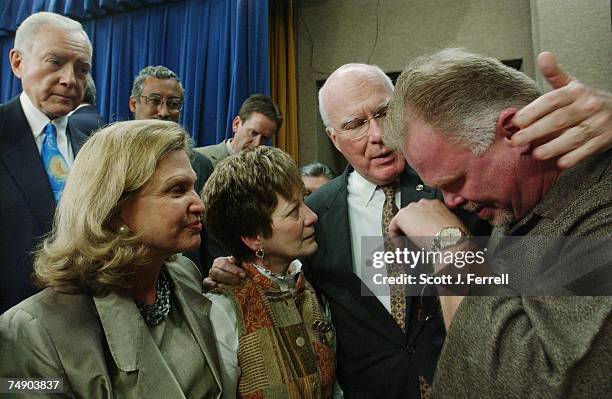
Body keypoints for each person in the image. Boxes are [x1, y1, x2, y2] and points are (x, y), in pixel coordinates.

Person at [384, 48, 611, 398]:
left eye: (456, 180)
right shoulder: (515, 205)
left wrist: (451, 247)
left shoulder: (601, 209)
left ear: (512, 129)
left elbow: (546, 384)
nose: (451, 201)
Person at [0, 120, 222, 398]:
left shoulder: (185, 275)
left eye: (193, 187)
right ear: (115, 208)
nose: (199, 204)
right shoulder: (31, 330)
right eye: (177, 190)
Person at [202, 146, 336, 398]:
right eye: (294, 211)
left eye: (304, 203)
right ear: (253, 237)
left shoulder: (307, 287)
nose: (312, 217)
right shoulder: (224, 310)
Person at [0, 12, 93, 313]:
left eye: (82, 69)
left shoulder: (94, 143)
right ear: (17, 63)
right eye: (55, 62)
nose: (70, 80)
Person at [129, 65, 213, 195]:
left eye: (173, 104)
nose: (163, 112)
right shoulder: (114, 156)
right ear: (134, 104)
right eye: (155, 101)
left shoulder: (201, 165)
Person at [195, 94, 282, 167]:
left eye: (265, 138)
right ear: (236, 124)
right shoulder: (197, 159)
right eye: (253, 133)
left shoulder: (268, 173)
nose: (257, 144)